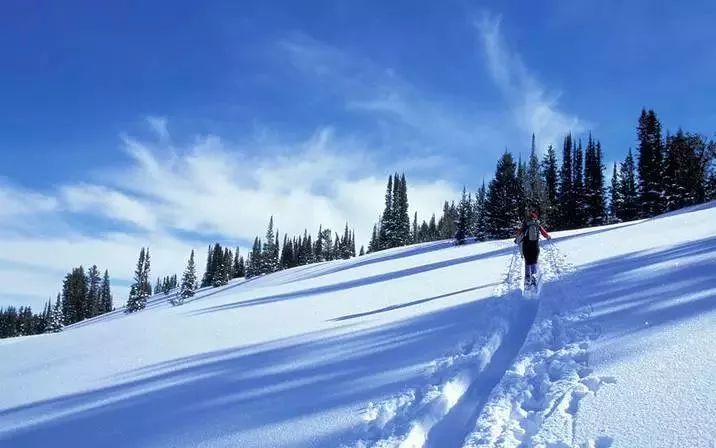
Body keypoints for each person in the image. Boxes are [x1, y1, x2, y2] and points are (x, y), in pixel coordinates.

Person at [514, 210, 551, 287]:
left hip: (526, 245)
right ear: (535, 218)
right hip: (535, 245)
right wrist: (548, 237)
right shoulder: (537, 225)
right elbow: (544, 232)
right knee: (534, 260)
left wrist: (516, 239)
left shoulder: (526, 224)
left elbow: (519, 233)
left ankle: (527, 277)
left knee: (527, 260)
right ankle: (534, 275)